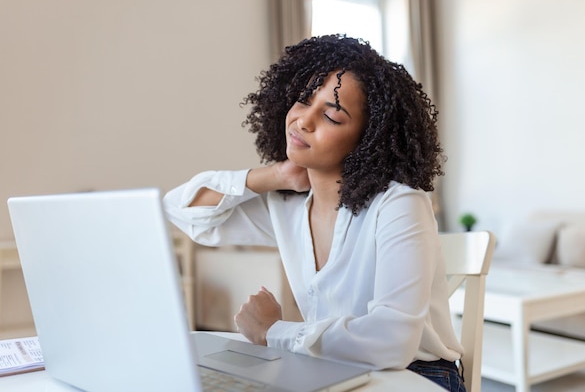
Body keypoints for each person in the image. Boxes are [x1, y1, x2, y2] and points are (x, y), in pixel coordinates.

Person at [163, 34, 465, 392]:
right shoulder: (286, 206)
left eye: (332, 116)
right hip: (331, 369)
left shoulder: (399, 204)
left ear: (368, 139)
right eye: (304, 100)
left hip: (417, 378)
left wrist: (273, 331)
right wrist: (272, 175)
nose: (304, 120)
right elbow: (181, 211)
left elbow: (393, 340)